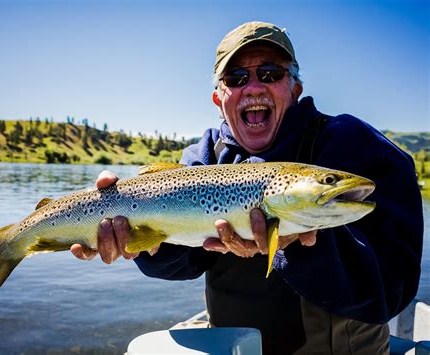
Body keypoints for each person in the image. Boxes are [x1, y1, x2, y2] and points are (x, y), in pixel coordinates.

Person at [71, 21, 423, 354]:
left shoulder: (352, 143)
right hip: (233, 346)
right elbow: (181, 265)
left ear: (295, 88)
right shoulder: (203, 158)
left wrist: (299, 245)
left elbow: (390, 292)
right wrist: (138, 244)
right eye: (236, 77)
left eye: (270, 73)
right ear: (219, 99)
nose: (253, 86)